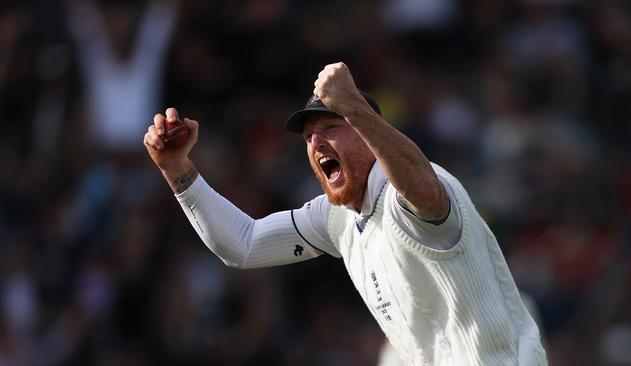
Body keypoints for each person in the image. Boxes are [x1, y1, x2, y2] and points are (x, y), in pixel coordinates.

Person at [143, 62, 547, 365]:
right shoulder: (337, 216)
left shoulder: (405, 189)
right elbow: (244, 245)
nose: (316, 140)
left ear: (369, 132)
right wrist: (177, 169)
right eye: (308, 136)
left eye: (332, 126)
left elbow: (423, 193)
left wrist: (353, 105)